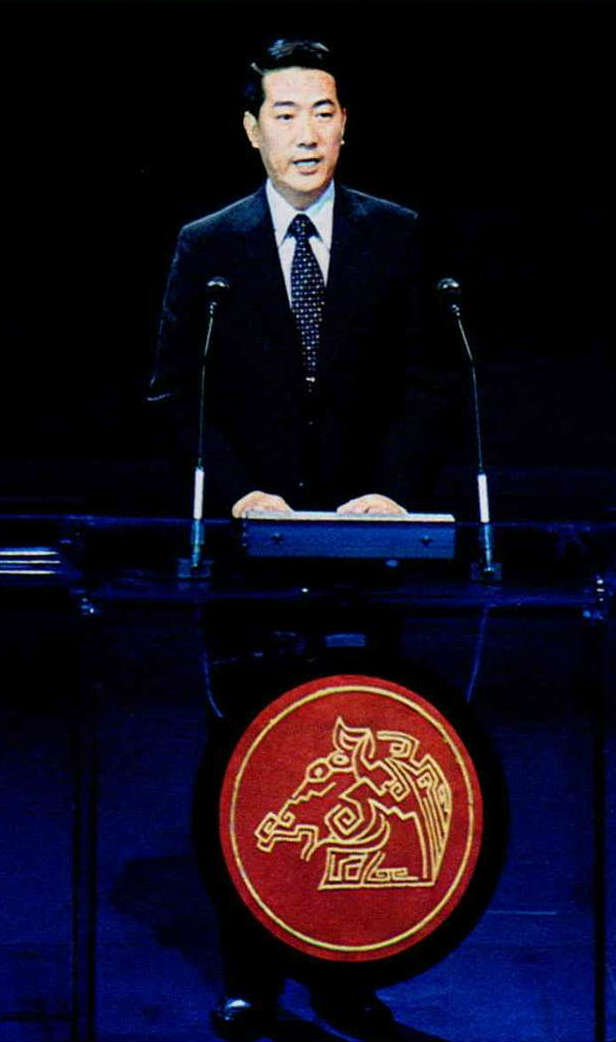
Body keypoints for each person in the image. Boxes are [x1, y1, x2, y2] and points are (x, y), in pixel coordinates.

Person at [149, 37, 463, 1040]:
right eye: (285, 113)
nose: (307, 131)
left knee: (359, 746)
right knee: (256, 759)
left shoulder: (397, 234)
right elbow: (175, 393)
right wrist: (241, 493)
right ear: (252, 131)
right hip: (254, 551)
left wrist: (391, 491)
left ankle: (347, 974)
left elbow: (429, 380)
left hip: (367, 545)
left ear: (345, 124)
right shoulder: (209, 245)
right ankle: (251, 981)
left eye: (322, 111)